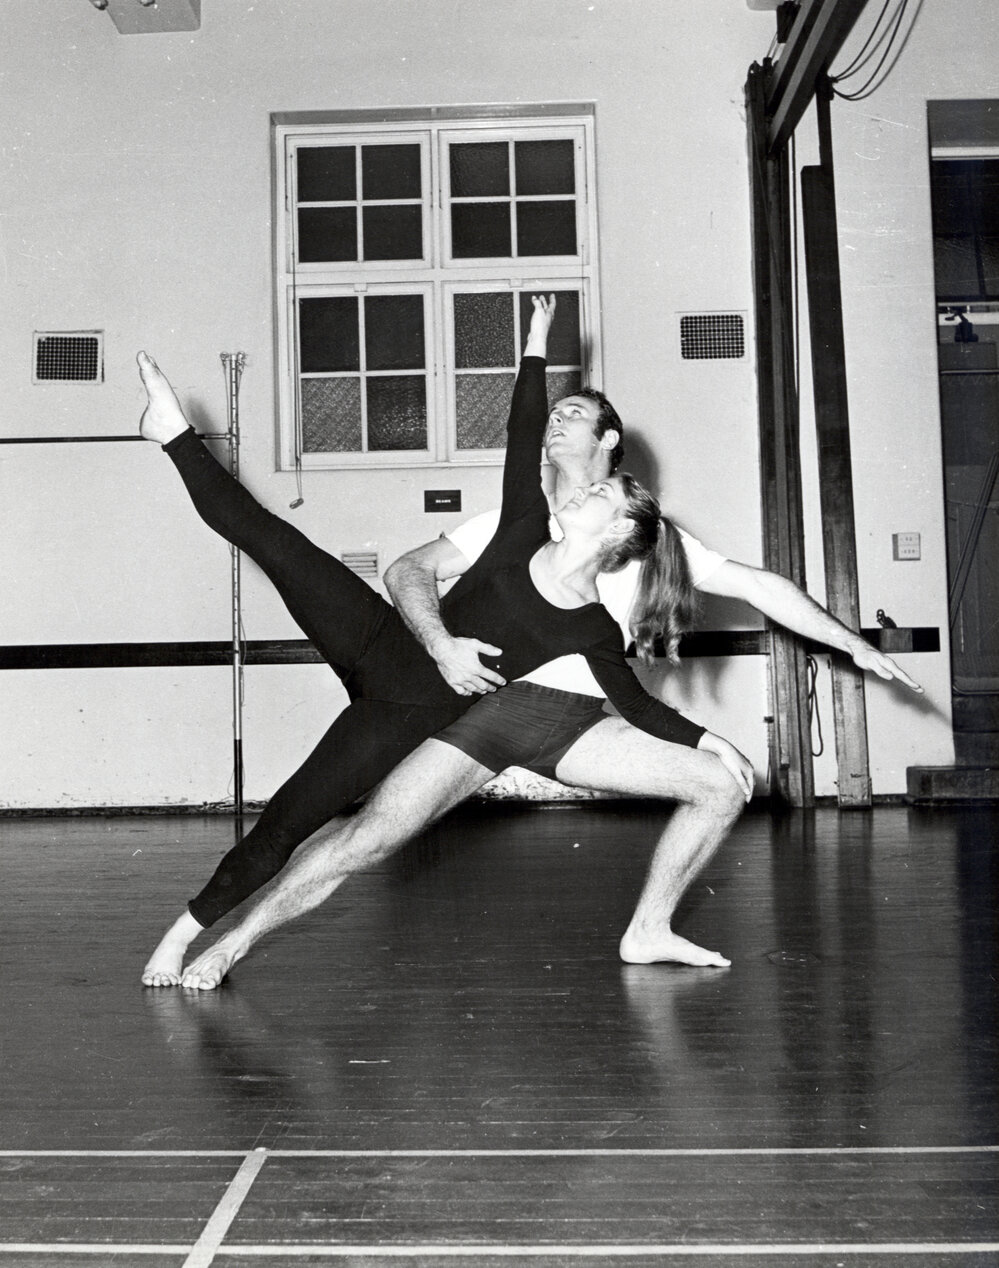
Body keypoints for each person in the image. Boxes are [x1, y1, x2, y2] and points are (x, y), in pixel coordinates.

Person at [174, 311, 925, 991]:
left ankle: (648, 929)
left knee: (720, 784)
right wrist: (438, 646)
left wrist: (846, 643)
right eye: (554, 415)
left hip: (583, 722)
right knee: (365, 839)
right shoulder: (517, 520)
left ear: (608, 446)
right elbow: (412, 569)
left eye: (577, 416)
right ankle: (233, 941)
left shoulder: (648, 537)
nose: (558, 426)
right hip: (487, 708)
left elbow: (756, 589)